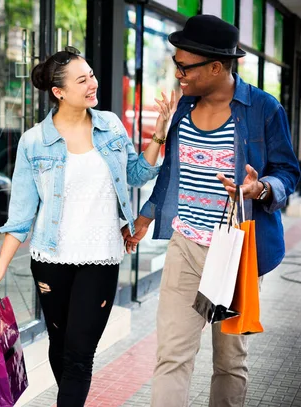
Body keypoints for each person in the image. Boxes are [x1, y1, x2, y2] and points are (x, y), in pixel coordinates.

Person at [0, 46, 173, 407]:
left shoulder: (110, 125)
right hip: (50, 258)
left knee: (81, 354)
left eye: (92, 75)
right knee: (61, 344)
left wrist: (159, 135)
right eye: (82, 79)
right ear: (59, 92)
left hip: (101, 257)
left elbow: (135, 174)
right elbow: (20, 215)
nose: (92, 84)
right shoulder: (34, 141)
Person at [123, 15, 301, 407]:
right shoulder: (183, 108)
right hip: (185, 247)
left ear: (216, 67)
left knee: (230, 361)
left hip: (235, 254)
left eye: (184, 66)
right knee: (171, 355)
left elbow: (289, 171)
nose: (177, 73)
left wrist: (262, 188)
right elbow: (172, 172)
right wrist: (145, 217)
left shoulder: (263, 110)